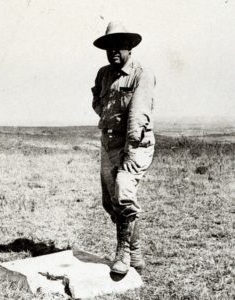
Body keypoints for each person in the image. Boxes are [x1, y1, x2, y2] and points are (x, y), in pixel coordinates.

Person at [91, 21, 156, 275]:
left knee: (123, 194)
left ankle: (123, 253)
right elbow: (98, 101)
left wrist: (129, 150)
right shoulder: (103, 74)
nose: (113, 51)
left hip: (135, 145)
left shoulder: (142, 75)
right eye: (109, 47)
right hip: (109, 144)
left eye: (119, 46)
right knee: (111, 203)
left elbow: (138, 115)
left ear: (129, 47)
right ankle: (136, 252)